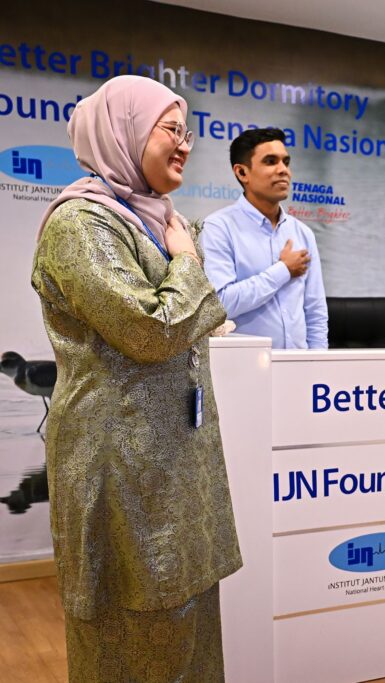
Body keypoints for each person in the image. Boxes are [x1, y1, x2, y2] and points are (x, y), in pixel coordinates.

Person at [31, 75, 242, 682]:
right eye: (171, 129)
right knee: (133, 630)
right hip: (120, 466)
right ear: (123, 134)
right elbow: (151, 331)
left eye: (188, 131)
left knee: (187, 623)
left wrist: (184, 262)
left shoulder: (156, 218)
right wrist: (187, 262)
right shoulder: (81, 224)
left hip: (171, 459)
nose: (185, 144)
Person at [200, 128, 328, 349]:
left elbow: (315, 312)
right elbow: (220, 305)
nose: (283, 170)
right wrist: (283, 270)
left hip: (300, 364)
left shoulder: (303, 233)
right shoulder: (218, 228)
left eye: (286, 162)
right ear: (242, 173)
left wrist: (318, 361)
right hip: (243, 366)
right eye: (270, 161)